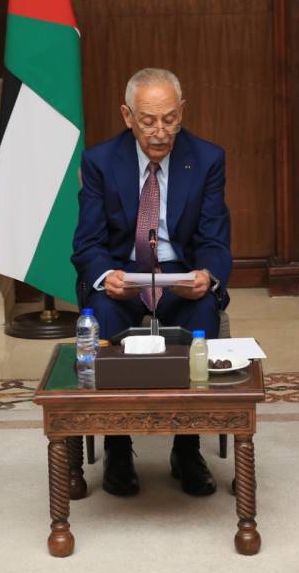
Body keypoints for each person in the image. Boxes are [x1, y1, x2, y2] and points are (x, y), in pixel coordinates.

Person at [72, 67, 231, 497]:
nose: (161, 132)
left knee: (203, 311)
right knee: (102, 313)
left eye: (170, 119)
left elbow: (215, 240)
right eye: (148, 121)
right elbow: (87, 243)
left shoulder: (207, 158)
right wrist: (107, 277)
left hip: (179, 278)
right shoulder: (100, 161)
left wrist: (206, 275)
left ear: (182, 112)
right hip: (123, 279)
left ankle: (187, 448)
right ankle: (118, 447)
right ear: (127, 116)